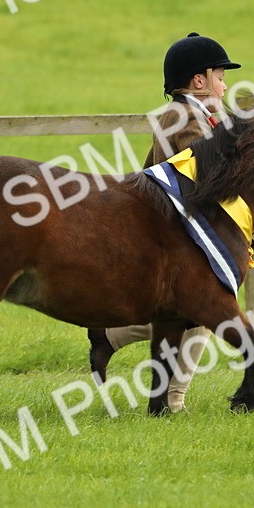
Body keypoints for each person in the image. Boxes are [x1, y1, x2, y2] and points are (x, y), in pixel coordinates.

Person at [88, 32, 240, 412]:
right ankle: (170, 397)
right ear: (199, 81)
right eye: (221, 77)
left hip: (184, 232)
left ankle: (112, 337)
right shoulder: (181, 117)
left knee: (197, 313)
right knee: (202, 309)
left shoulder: (200, 115)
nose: (225, 85)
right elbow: (207, 174)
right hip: (172, 236)